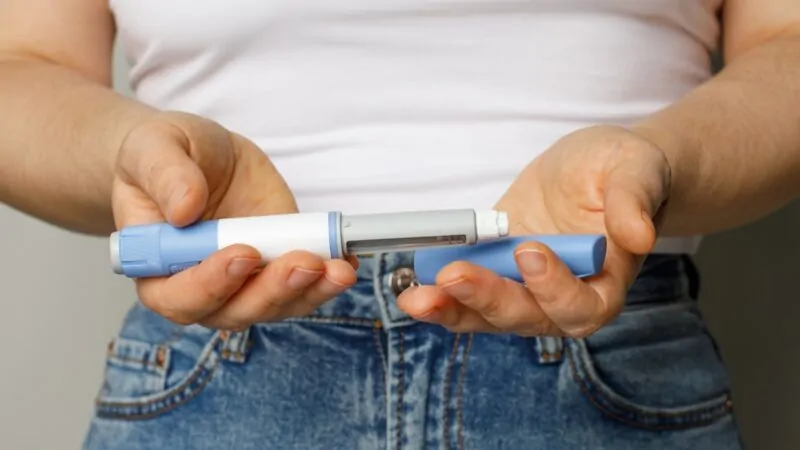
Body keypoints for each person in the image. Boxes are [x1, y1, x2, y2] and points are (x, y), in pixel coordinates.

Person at [2, 0, 799, 448]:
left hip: (605, 348)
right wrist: (134, 158)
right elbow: (22, 69)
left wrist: (657, 164)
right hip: (220, 365)